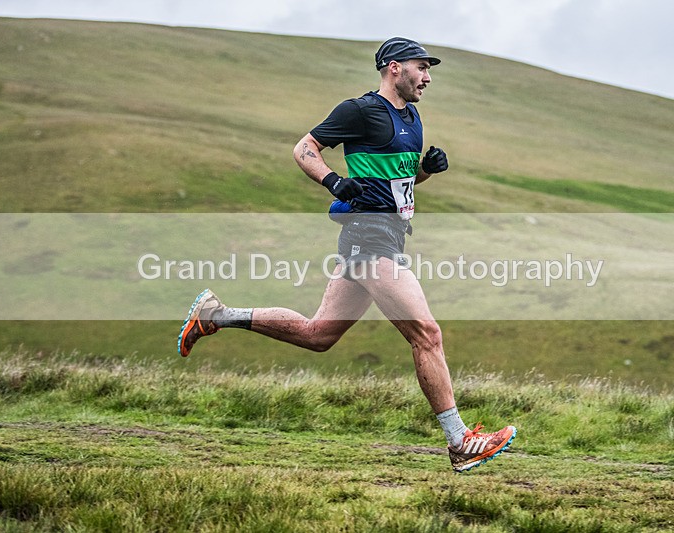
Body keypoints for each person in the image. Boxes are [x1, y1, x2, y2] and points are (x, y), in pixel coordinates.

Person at [178, 37, 516, 472]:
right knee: (427, 334)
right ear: (394, 68)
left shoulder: (412, 116)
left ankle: (216, 315)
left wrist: (425, 171)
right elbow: (304, 148)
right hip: (369, 237)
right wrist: (333, 182)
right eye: (421, 67)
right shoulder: (360, 110)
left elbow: (398, 180)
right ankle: (459, 441)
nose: (428, 77)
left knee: (317, 334)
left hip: (387, 235)